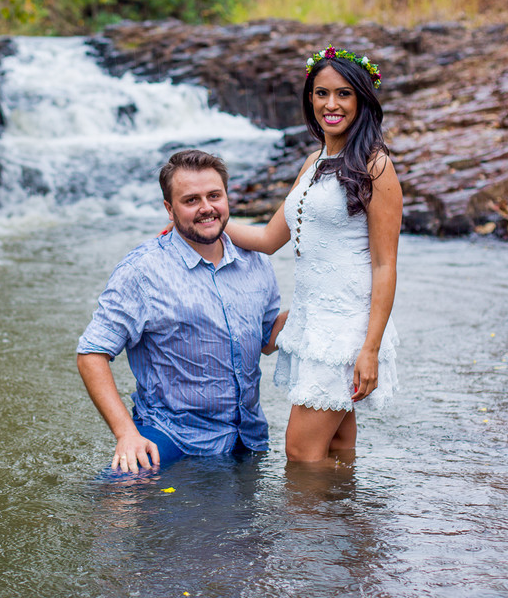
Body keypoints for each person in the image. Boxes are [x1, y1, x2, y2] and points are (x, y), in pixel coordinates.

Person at [225, 46, 402, 463]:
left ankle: (312, 513)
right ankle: (345, 507)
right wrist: (204, 226)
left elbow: (385, 265)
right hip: (313, 321)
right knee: (335, 449)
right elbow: (269, 238)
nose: (331, 104)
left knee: (301, 452)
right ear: (310, 98)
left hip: (346, 328)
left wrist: (370, 349)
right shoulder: (314, 161)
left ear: (362, 99)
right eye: (322, 93)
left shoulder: (376, 166)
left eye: (344, 94)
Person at [76, 149, 286, 473]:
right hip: (170, 439)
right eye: (191, 200)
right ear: (169, 209)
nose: (206, 208)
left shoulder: (255, 261)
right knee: (119, 494)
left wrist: (316, 307)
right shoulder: (142, 271)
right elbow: (91, 353)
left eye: (214, 196)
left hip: (248, 440)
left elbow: (267, 340)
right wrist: (125, 434)